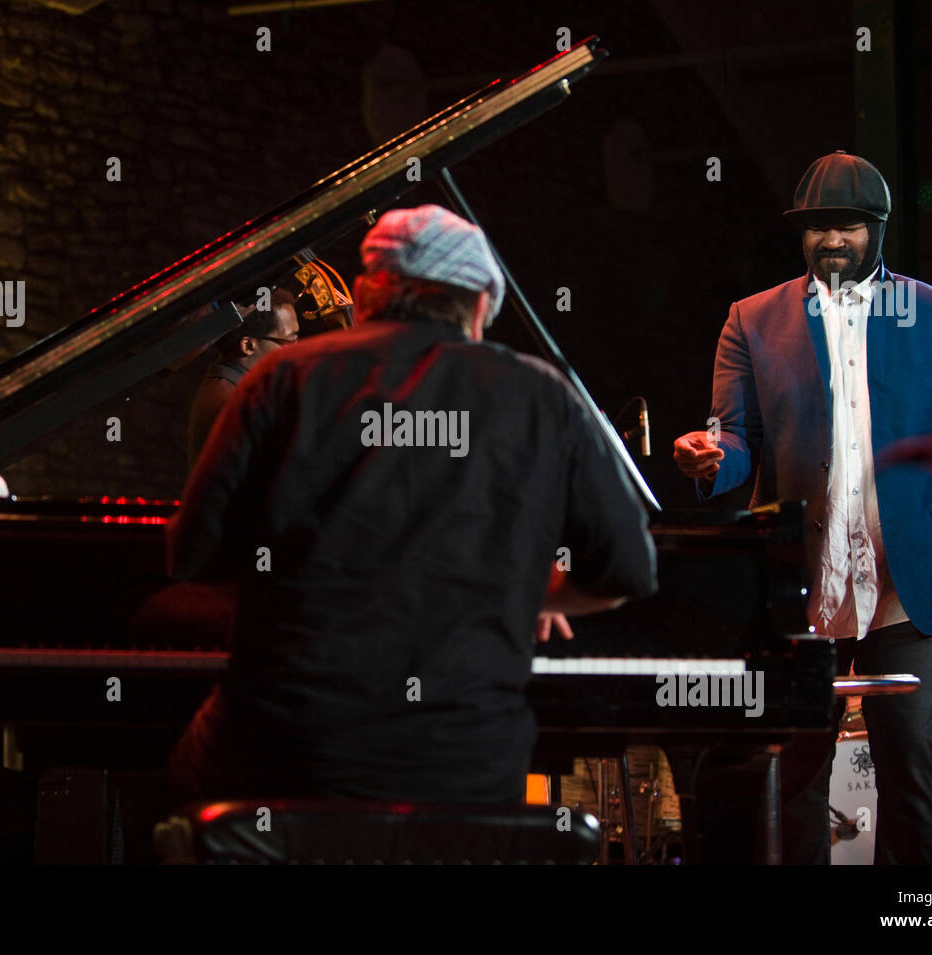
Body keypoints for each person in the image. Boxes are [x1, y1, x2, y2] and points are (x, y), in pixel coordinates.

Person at [166, 204, 657, 806]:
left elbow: (196, 555)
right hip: (464, 761)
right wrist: (521, 591)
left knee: (174, 773)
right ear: (479, 306)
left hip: (286, 749)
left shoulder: (279, 377)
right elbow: (628, 568)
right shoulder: (539, 394)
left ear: (368, 293)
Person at [672, 151, 932, 864]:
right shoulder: (751, 320)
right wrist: (713, 459)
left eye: (846, 225)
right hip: (801, 583)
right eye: (817, 227)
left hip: (911, 587)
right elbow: (736, 437)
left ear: (877, 228)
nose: (832, 240)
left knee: (911, 769)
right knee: (793, 776)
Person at [185, 288, 300, 465]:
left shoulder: (233, 386)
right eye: (288, 341)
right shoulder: (233, 405)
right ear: (248, 346)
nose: (297, 349)